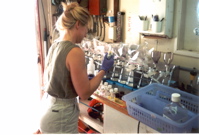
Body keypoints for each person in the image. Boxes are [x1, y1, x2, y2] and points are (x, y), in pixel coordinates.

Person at [37, 2, 114, 134]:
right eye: (86, 28)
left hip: (48, 109)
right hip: (61, 117)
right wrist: (103, 70)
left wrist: (83, 79)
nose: (85, 34)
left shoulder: (55, 45)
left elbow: (59, 80)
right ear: (78, 24)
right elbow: (84, 93)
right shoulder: (75, 51)